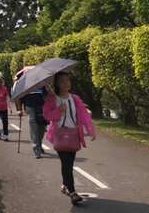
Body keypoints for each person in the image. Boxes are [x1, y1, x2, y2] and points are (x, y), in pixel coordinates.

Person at [43, 72, 96, 205]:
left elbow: (83, 115)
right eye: (62, 81)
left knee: (69, 164)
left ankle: (65, 185)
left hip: (73, 135)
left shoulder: (75, 98)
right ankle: (72, 192)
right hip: (59, 134)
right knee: (66, 163)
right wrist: (59, 110)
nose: (66, 84)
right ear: (57, 84)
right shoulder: (52, 99)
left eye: (68, 81)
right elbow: (47, 116)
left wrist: (90, 130)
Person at [20, 87, 48, 159]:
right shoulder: (25, 84)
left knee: (42, 128)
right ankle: (36, 150)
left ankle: (39, 144)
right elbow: (21, 97)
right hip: (30, 107)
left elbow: (46, 95)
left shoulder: (41, 84)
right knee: (34, 129)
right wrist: (19, 109)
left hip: (42, 107)